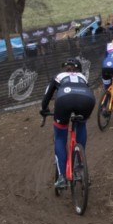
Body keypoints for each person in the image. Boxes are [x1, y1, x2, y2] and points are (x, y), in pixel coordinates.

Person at [40, 57, 97, 191]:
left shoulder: (59, 76)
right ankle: (81, 162)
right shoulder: (83, 77)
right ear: (79, 69)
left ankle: (62, 177)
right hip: (87, 99)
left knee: (60, 137)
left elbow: (47, 96)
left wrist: (44, 110)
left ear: (66, 69)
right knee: (81, 124)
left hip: (64, 100)